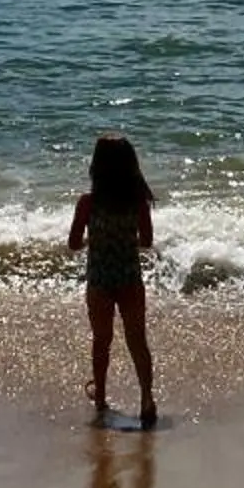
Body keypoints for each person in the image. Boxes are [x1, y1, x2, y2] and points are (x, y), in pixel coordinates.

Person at [66, 133, 157, 427]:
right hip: (129, 277)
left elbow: (73, 244)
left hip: (100, 280)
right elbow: (147, 241)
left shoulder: (88, 203)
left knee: (102, 340)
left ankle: (102, 397)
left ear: (97, 166)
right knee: (137, 340)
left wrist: (93, 240)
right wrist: (124, 239)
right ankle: (146, 398)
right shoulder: (138, 202)